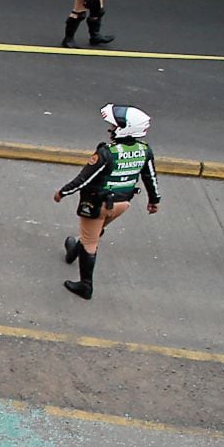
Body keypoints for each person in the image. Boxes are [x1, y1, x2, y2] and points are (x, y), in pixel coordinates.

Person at [53, 104, 160, 300]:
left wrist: (63, 192)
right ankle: (72, 251)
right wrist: (154, 200)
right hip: (122, 205)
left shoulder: (107, 153)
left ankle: (85, 286)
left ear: (124, 128)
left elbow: (84, 178)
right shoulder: (144, 150)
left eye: (114, 126)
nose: (110, 129)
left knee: (90, 242)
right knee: (93, 232)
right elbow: (150, 177)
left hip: (97, 204)